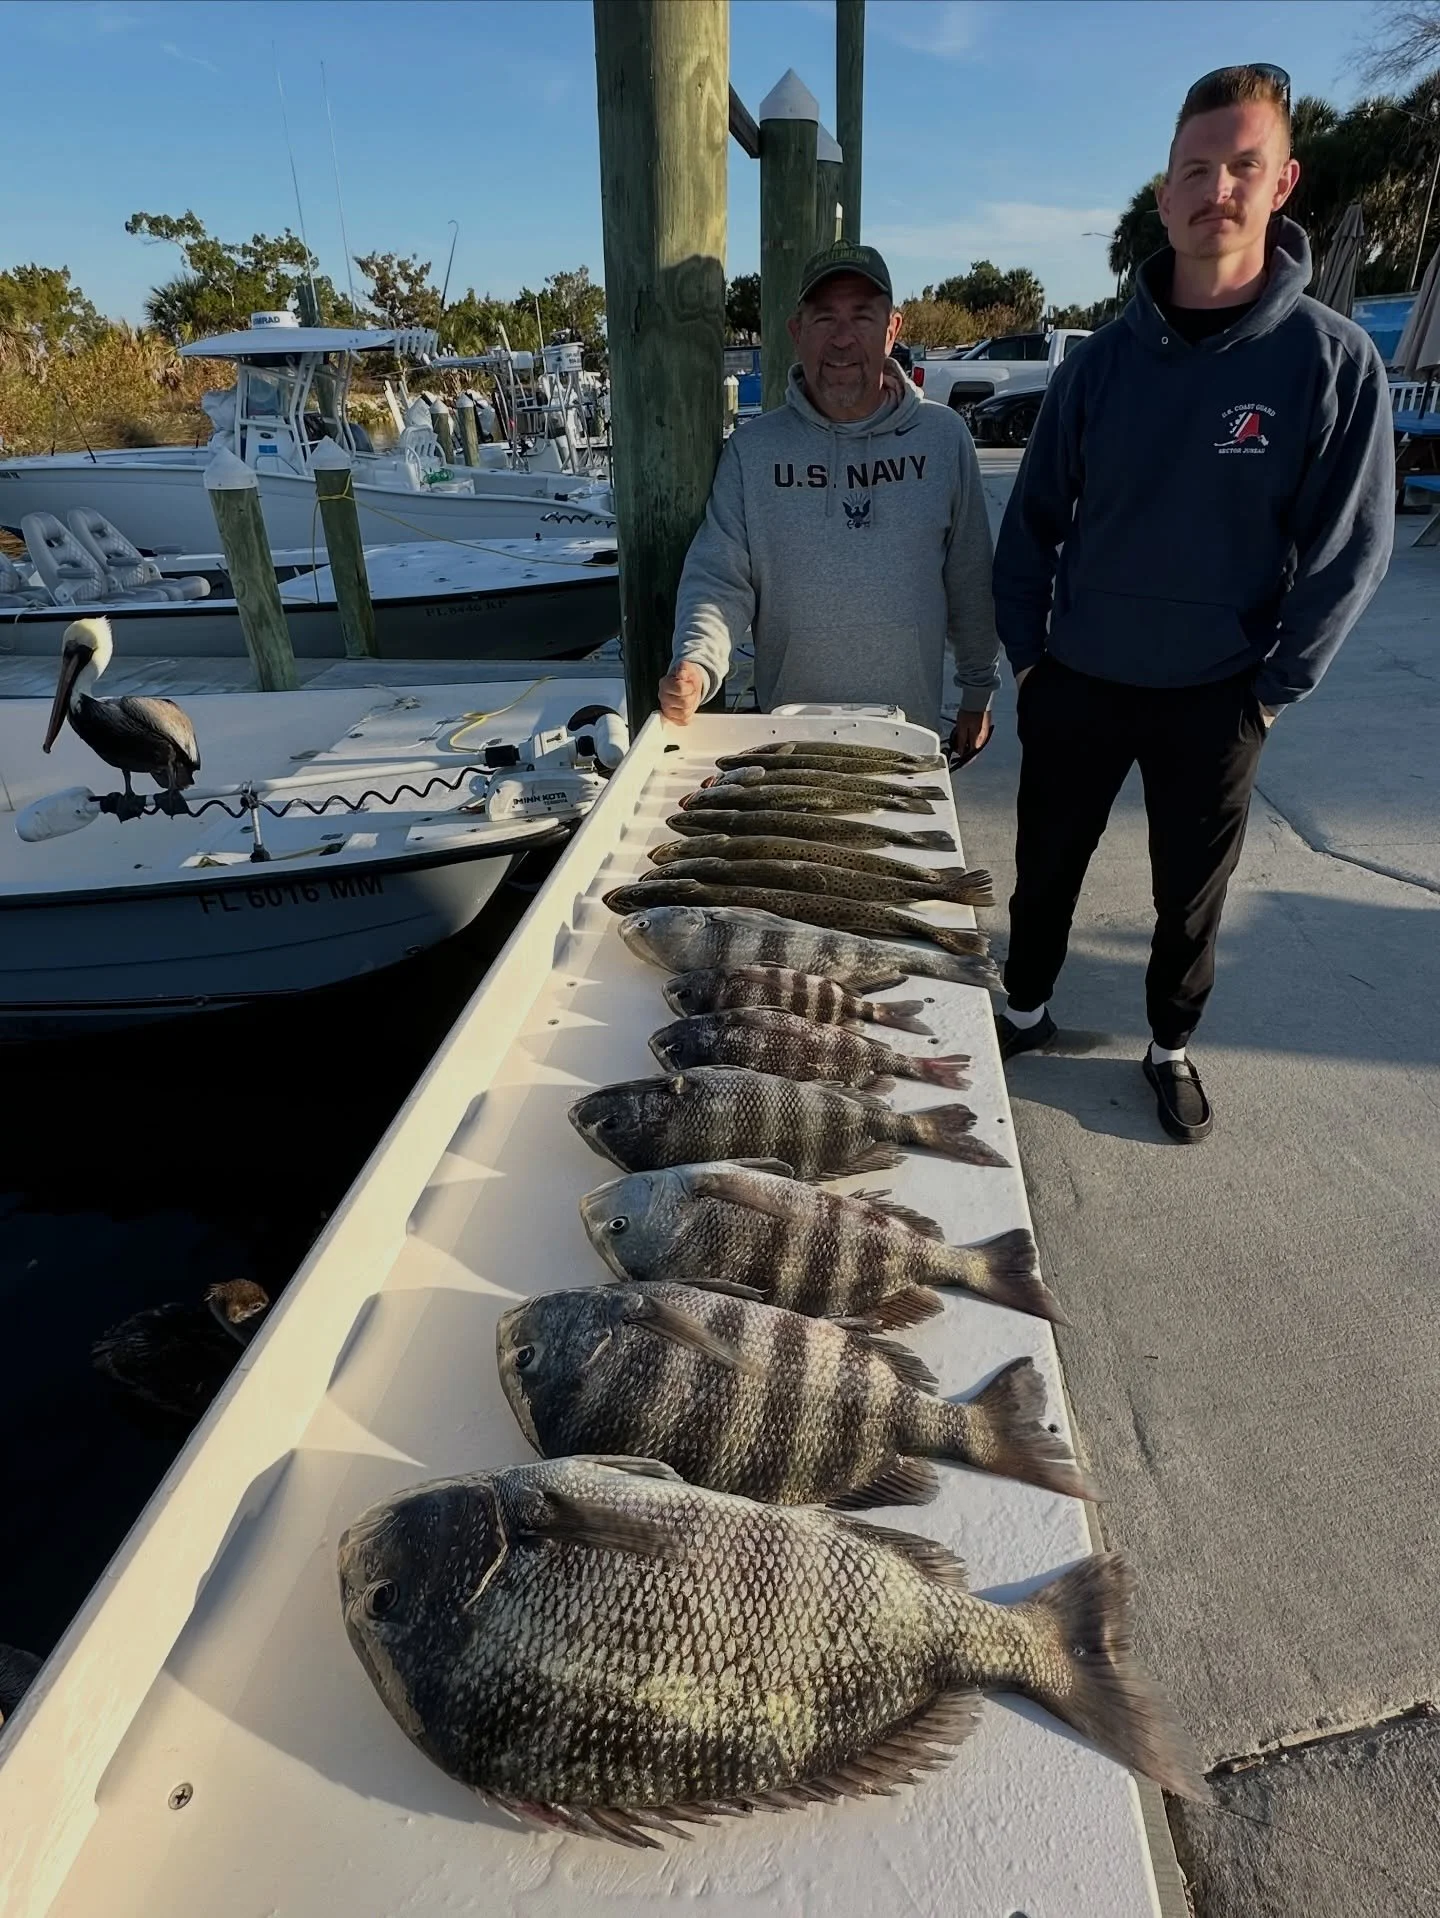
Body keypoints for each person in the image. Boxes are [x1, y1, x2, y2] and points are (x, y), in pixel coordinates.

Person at [991, 63, 1394, 1143]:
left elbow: (1352, 548)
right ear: (1164, 194)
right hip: (1078, 676)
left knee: (1189, 900)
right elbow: (1029, 522)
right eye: (1196, 169)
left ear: (1282, 183)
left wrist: (1271, 691)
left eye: (1242, 167)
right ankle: (1023, 1009)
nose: (1218, 188)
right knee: (1045, 871)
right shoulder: (1098, 369)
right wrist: (1031, 659)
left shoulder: (1333, 363)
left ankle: (1169, 1044)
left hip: (1218, 694)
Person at [658, 241, 999, 758]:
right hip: (788, 741)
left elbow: (970, 575)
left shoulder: (944, 437)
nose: (842, 339)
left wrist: (978, 690)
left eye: (862, 317)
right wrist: (696, 663)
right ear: (797, 332)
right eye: (823, 319)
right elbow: (719, 576)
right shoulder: (754, 450)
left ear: (892, 329)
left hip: (909, 735)